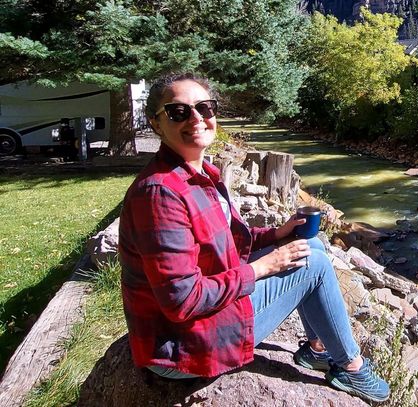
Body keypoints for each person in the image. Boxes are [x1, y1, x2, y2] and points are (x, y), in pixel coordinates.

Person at [118, 73, 389, 403]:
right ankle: (351, 365)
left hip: (193, 324)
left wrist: (277, 234)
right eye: (178, 112)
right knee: (313, 262)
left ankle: (319, 349)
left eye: (205, 108)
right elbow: (182, 301)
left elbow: (228, 241)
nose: (196, 119)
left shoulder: (201, 175)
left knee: (311, 244)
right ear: (156, 124)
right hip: (181, 345)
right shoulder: (160, 194)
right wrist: (264, 268)